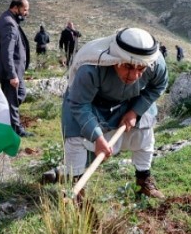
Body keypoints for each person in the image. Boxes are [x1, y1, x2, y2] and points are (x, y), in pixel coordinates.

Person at [61, 27, 168, 199]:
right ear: (116, 60)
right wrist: (98, 137)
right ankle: (76, 189)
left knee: (145, 130)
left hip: (130, 100)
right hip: (89, 102)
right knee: (76, 137)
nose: (134, 75)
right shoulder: (91, 67)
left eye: (141, 68)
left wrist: (134, 111)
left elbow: (159, 86)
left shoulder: (155, 63)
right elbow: (80, 104)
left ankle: (143, 181)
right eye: (127, 66)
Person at [0, 0, 33, 137]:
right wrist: (12, 75)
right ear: (15, 8)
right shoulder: (8, 23)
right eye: (24, 9)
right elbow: (7, 52)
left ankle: (2, 118)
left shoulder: (10, 20)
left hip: (14, 71)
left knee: (18, 95)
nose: (26, 13)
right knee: (13, 99)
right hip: (10, 71)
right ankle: (15, 130)